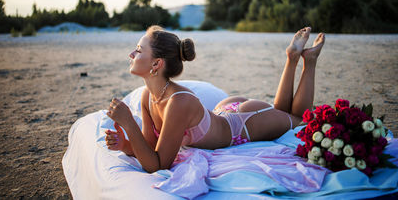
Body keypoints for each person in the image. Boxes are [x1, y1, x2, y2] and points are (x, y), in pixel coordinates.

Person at [105, 26, 325, 173]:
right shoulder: (148, 96)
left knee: (297, 118)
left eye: (138, 50)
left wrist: (129, 123)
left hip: (243, 124)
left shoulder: (178, 102)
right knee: (281, 113)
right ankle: (292, 58)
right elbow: (150, 148)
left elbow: (159, 165)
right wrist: (125, 144)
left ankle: (306, 60)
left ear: (156, 64)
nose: (131, 55)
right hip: (224, 112)